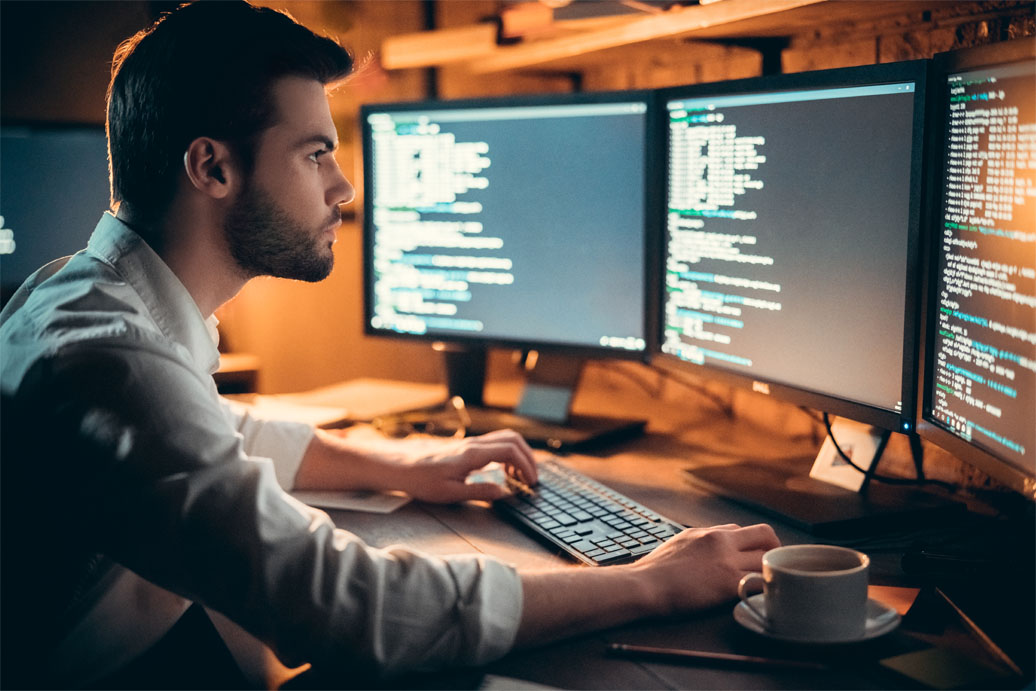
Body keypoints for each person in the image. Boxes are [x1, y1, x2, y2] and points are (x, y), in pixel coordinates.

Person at [0, 2, 779, 687]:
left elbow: (210, 430)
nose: (343, 187)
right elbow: (353, 609)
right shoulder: (107, 357)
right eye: (314, 154)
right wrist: (653, 583)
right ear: (212, 166)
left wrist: (406, 463)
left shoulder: (89, 296)